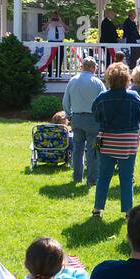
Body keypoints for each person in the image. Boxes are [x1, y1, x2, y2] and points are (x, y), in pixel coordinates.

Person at [91, 61, 140, 217]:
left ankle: (97, 209)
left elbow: (96, 115)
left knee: (103, 176)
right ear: (127, 78)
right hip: (128, 141)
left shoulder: (102, 97)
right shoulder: (133, 96)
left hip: (106, 140)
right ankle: (128, 211)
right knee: (127, 177)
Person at [62, 56, 105, 187]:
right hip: (93, 120)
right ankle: (92, 180)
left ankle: (77, 177)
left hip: (77, 118)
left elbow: (65, 101)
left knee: (77, 149)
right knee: (94, 151)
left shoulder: (73, 80)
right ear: (92, 67)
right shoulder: (97, 82)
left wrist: (69, 115)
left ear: (82, 67)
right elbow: (103, 102)